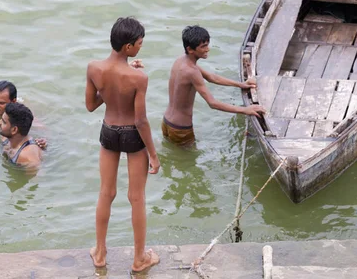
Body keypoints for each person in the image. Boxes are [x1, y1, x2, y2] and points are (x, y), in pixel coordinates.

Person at [85, 17, 160, 273]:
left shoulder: (93, 68)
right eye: (139, 44)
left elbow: (91, 105)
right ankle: (139, 259)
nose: (140, 47)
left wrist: (111, 89)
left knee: (106, 193)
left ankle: (100, 252)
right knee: (136, 197)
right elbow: (140, 120)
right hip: (132, 135)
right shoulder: (139, 78)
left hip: (108, 132)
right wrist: (153, 153)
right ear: (128, 47)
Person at [162, 25, 265, 146]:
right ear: (190, 49)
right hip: (181, 129)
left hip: (166, 123)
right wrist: (245, 110)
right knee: (188, 161)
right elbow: (212, 103)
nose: (208, 49)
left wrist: (241, 84)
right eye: (203, 46)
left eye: (207, 44)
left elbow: (211, 77)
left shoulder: (181, 61)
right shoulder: (192, 71)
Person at [0, 80, 47, 149]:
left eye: (1, 103)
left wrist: (44, 140)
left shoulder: (21, 113)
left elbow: (41, 128)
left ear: (13, 101)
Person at [0, 103, 43, 168]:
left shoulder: (27, 157)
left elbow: (37, 177)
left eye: (4, 122)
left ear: (14, 130)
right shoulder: (5, 138)